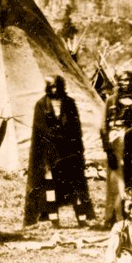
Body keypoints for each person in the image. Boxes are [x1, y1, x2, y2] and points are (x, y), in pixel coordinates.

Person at [25, 76, 94, 228]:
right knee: (51, 187)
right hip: (50, 154)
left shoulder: (69, 103)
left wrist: (77, 148)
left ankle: (82, 219)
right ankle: (54, 220)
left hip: (69, 153)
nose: (55, 90)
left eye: (57, 86)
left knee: (75, 186)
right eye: (52, 86)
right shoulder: (41, 105)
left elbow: (76, 128)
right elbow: (41, 130)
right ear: (48, 87)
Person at [100, 70, 132, 227]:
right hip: (116, 146)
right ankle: (113, 218)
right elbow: (103, 127)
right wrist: (108, 148)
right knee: (116, 181)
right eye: (122, 80)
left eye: (129, 80)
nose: (125, 83)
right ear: (118, 82)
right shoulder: (111, 101)